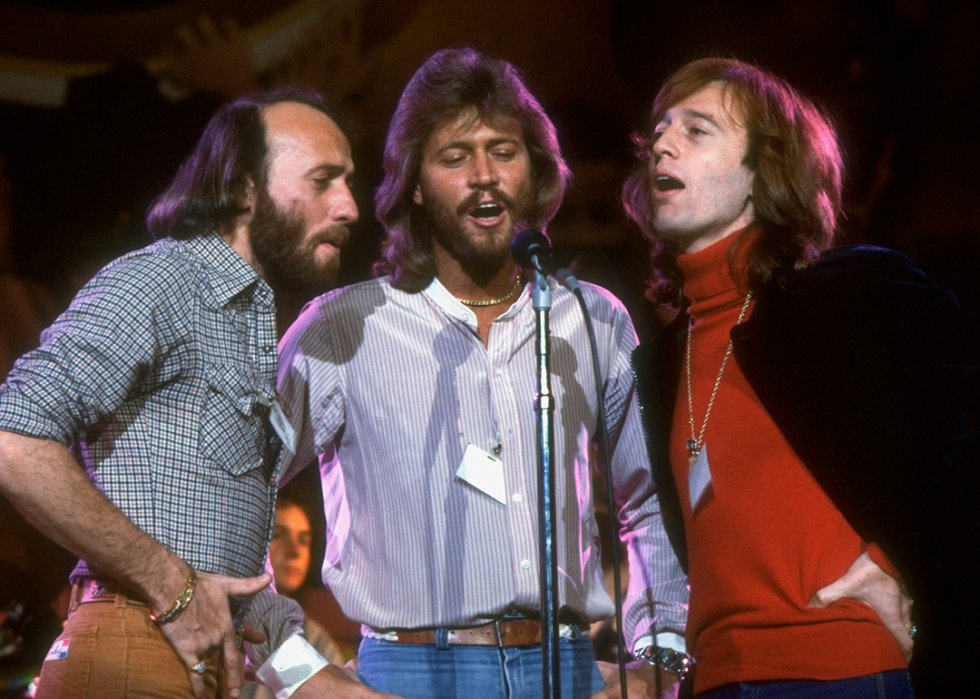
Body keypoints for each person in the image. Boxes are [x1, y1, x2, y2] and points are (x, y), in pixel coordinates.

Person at [273, 47, 689, 699]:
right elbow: (228, 504)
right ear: (414, 181)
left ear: (535, 171)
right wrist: (303, 677)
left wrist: (658, 665)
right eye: (454, 156)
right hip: (408, 671)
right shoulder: (342, 327)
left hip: (568, 665)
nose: (484, 175)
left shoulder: (590, 319)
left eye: (503, 149)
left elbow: (650, 502)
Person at [625, 57, 979, 698]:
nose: (661, 145)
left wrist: (901, 567)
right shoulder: (657, 363)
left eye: (697, 130)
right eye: (659, 130)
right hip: (716, 683)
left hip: (838, 670)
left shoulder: (851, 292)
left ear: (764, 170)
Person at [0, 87, 359, 699]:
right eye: (324, 180)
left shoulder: (248, 328)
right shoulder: (161, 280)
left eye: (348, 181)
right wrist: (171, 585)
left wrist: (336, 688)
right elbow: (15, 440)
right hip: (129, 646)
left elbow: (234, 586)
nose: (349, 206)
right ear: (246, 188)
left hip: (204, 661)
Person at [241, 490, 346, 699]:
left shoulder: (315, 639)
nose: (294, 551)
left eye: (304, 540)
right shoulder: (223, 622)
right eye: (278, 535)